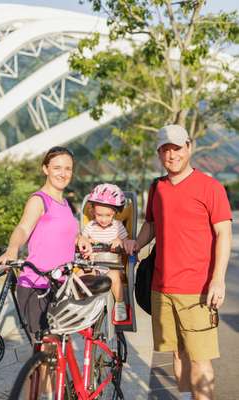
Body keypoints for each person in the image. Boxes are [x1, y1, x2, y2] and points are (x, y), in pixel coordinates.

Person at [124, 125, 232, 400]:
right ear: (159, 153)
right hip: (162, 287)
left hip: (198, 289)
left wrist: (218, 279)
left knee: (200, 357)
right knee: (177, 351)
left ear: (189, 147)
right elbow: (152, 225)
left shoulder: (211, 187)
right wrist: (137, 242)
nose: (172, 155)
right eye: (165, 150)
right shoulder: (157, 187)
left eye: (177, 148)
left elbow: (223, 234)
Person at [0, 145, 92, 337]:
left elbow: (66, 233)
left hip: (62, 284)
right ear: (45, 169)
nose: (63, 173)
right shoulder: (39, 200)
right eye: (57, 168)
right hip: (37, 284)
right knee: (46, 348)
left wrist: (80, 239)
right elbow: (23, 228)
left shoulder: (65, 204)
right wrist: (12, 249)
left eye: (68, 168)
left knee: (60, 347)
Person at [82, 183, 129, 322]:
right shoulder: (91, 226)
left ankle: (120, 304)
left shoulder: (117, 226)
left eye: (108, 215)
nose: (103, 219)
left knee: (114, 277)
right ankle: (87, 306)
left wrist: (119, 240)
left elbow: (126, 241)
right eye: (99, 215)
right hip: (95, 265)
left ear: (114, 213)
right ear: (93, 212)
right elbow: (83, 239)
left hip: (113, 265)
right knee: (85, 276)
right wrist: (87, 240)